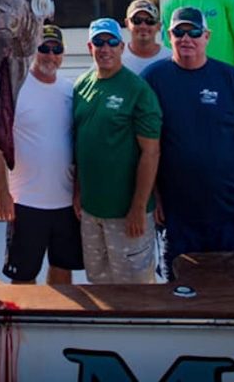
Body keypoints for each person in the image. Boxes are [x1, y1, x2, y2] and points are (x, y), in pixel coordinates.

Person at [143, 6, 234, 278]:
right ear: (169, 36)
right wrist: (153, 194)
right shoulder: (152, 79)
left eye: (194, 31)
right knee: (181, 295)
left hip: (232, 212)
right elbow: (143, 144)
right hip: (177, 216)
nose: (186, 38)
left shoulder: (230, 78)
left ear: (207, 36)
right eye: (179, 31)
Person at [0, 24, 83, 284]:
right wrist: (1, 191)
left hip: (64, 204)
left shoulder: (70, 91)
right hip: (24, 204)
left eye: (56, 49)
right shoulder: (14, 88)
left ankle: (57, 320)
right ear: (32, 50)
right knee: (24, 278)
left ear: (63, 54)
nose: (50, 55)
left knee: (63, 271)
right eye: (44, 48)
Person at [73, 18, 162, 284]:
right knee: (99, 283)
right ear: (90, 46)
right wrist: (78, 191)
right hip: (91, 212)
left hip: (127, 216)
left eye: (112, 42)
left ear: (122, 47)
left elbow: (151, 153)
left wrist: (138, 207)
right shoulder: (81, 86)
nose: (105, 48)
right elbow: (80, 143)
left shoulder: (138, 90)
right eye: (99, 42)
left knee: (136, 291)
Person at [122, 0, 171, 75]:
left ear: (159, 26)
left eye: (150, 21)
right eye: (137, 20)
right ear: (127, 23)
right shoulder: (117, 59)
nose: (143, 26)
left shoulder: (170, 58)